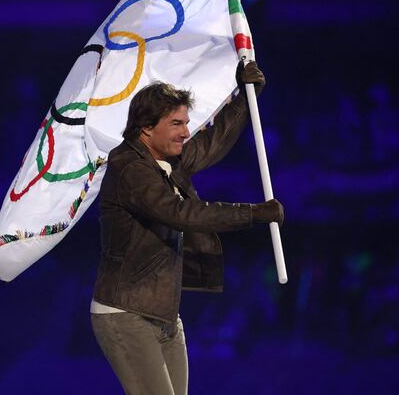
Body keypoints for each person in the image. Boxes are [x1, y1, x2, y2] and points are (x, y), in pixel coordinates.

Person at [90, 61, 284, 395]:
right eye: (177, 123)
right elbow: (181, 213)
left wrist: (245, 97)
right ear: (146, 128)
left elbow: (211, 144)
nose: (185, 132)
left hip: (164, 315)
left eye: (186, 123)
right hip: (125, 313)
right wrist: (252, 214)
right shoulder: (129, 169)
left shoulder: (165, 160)